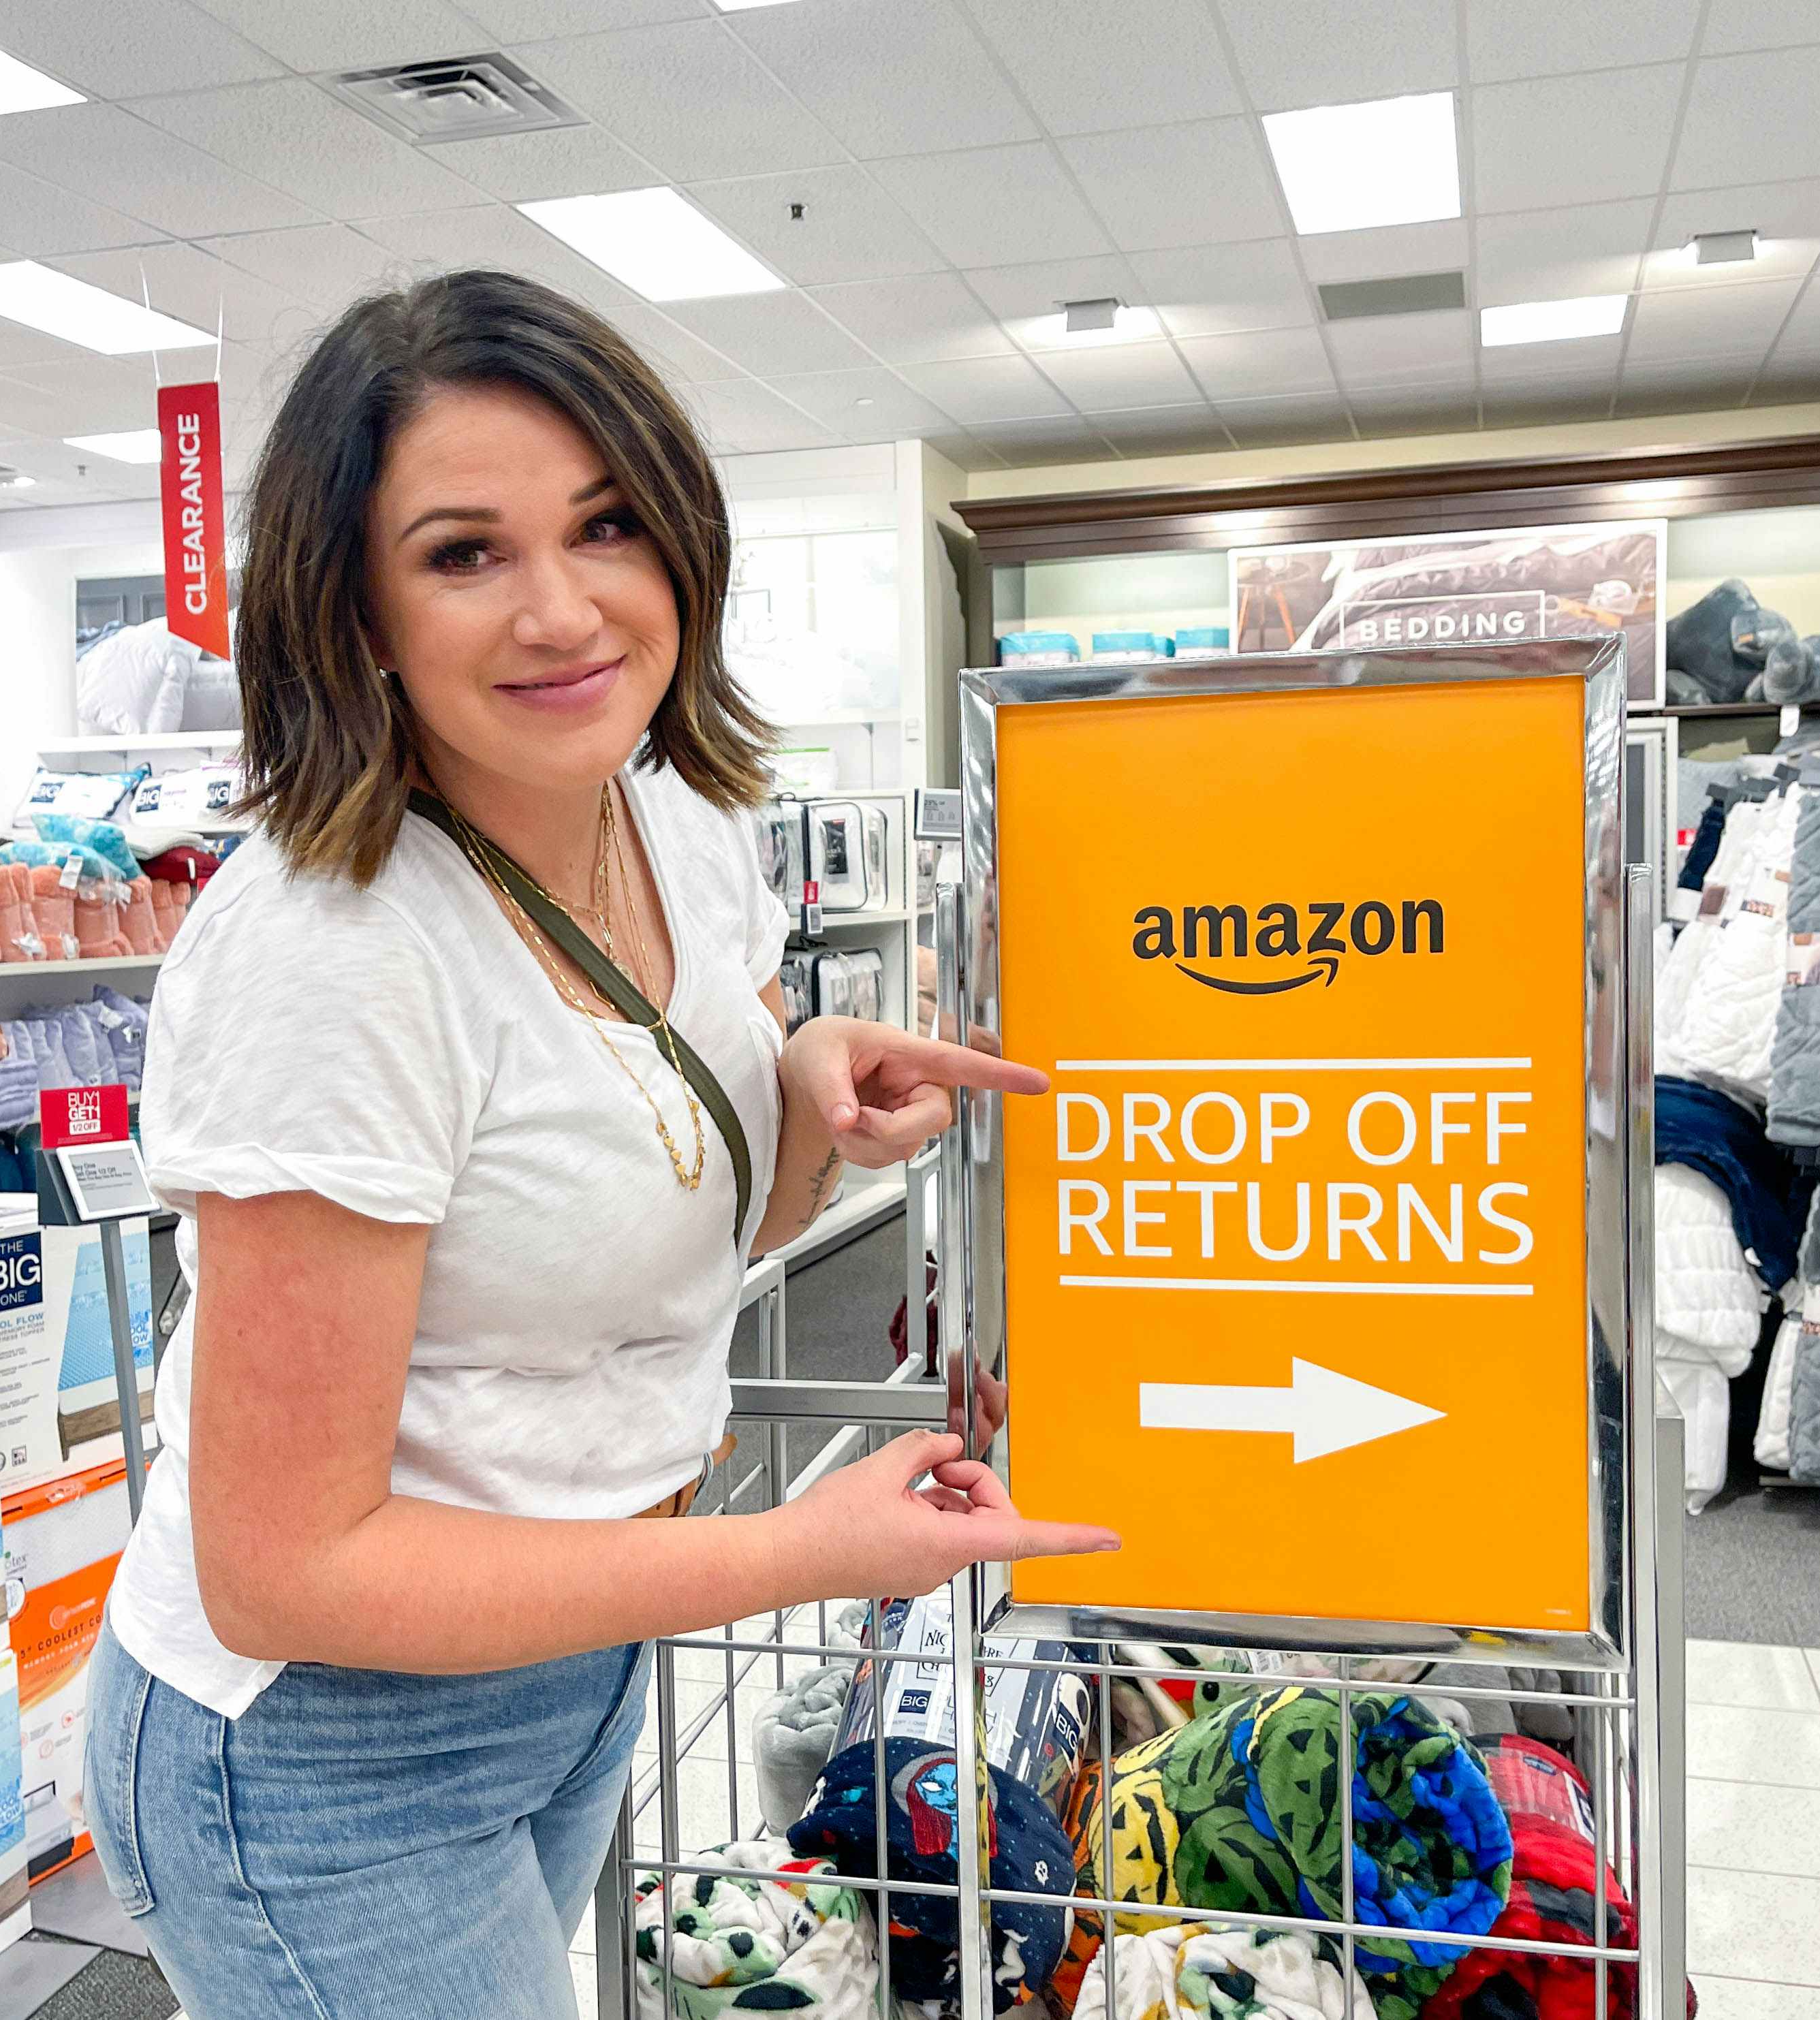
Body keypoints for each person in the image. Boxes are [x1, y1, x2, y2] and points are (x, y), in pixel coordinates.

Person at [80, 268, 1116, 2019]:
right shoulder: (332, 953)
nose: (561, 609)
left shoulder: (671, 820)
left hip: (569, 1656)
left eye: (606, 524)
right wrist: (798, 1553)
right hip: (325, 1750)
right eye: (463, 552)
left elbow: (693, 1237)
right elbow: (282, 1569)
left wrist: (803, 1103)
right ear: (356, 606)